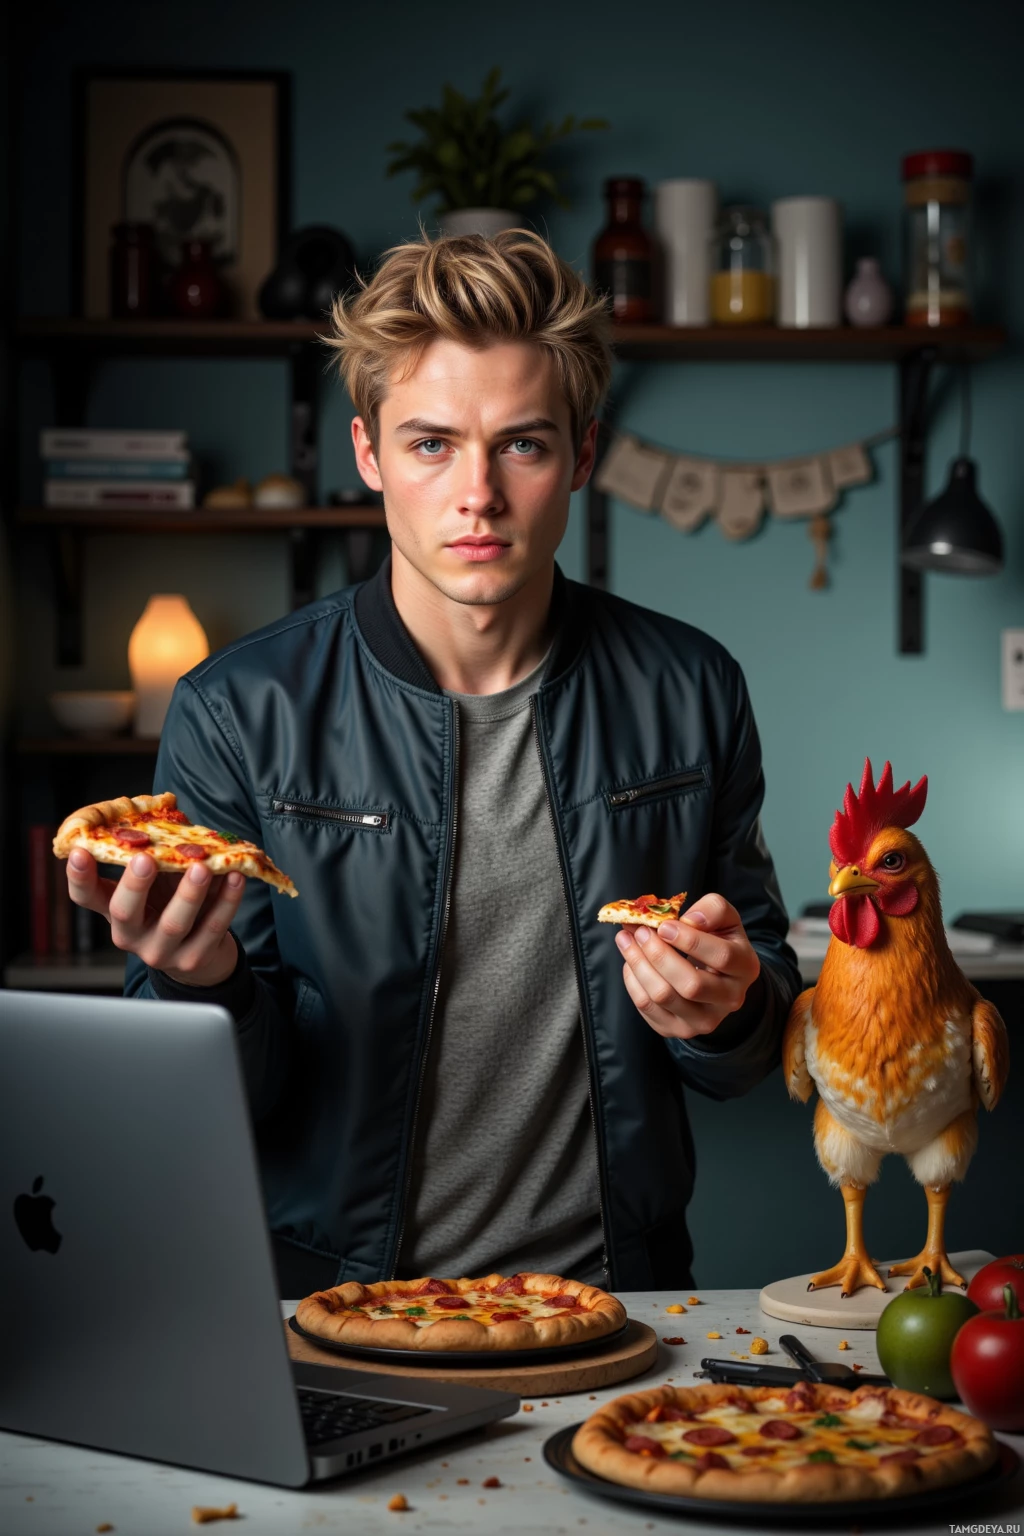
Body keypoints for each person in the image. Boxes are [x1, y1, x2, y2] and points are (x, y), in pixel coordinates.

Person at [66, 231, 801, 1297]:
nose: (478, 496)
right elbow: (231, 1101)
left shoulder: (693, 689)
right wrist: (203, 984)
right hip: (329, 1310)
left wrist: (729, 1007)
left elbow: (758, 1038)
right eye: (430, 445)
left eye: (521, 445)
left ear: (582, 457)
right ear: (367, 454)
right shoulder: (236, 711)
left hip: (614, 1305)